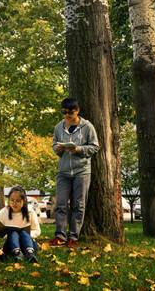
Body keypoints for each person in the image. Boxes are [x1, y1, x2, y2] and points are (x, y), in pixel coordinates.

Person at [49, 97, 99, 248]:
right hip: (63, 172)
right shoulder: (58, 127)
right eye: (64, 112)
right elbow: (54, 145)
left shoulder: (87, 127)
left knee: (79, 205)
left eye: (70, 112)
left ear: (77, 111)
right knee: (61, 205)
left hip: (81, 171)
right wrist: (57, 149)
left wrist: (78, 149)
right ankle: (60, 236)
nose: (67, 115)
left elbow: (95, 147)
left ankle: (73, 237)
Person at [0, 186, 41, 263]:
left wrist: (26, 235)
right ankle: (17, 254)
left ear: (24, 201)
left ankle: (30, 254)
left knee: (23, 233)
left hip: (28, 243)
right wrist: (9, 235)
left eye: (18, 201)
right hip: (11, 244)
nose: (14, 203)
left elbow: (37, 231)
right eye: (12, 200)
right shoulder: (3, 212)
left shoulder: (29, 211)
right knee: (13, 233)